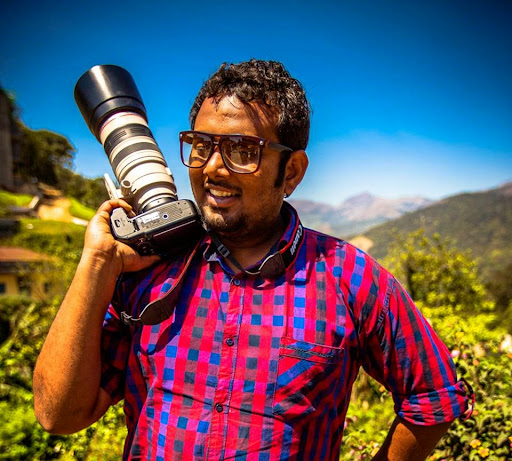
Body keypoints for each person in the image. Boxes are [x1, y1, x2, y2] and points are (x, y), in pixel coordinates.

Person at [34, 59, 473, 461]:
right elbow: (60, 415)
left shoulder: (350, 278)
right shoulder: (148, 268)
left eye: (243, 150)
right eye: (201, 145)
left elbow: (434, 397)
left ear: (292, 172)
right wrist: (98, 263)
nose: (212, 168)